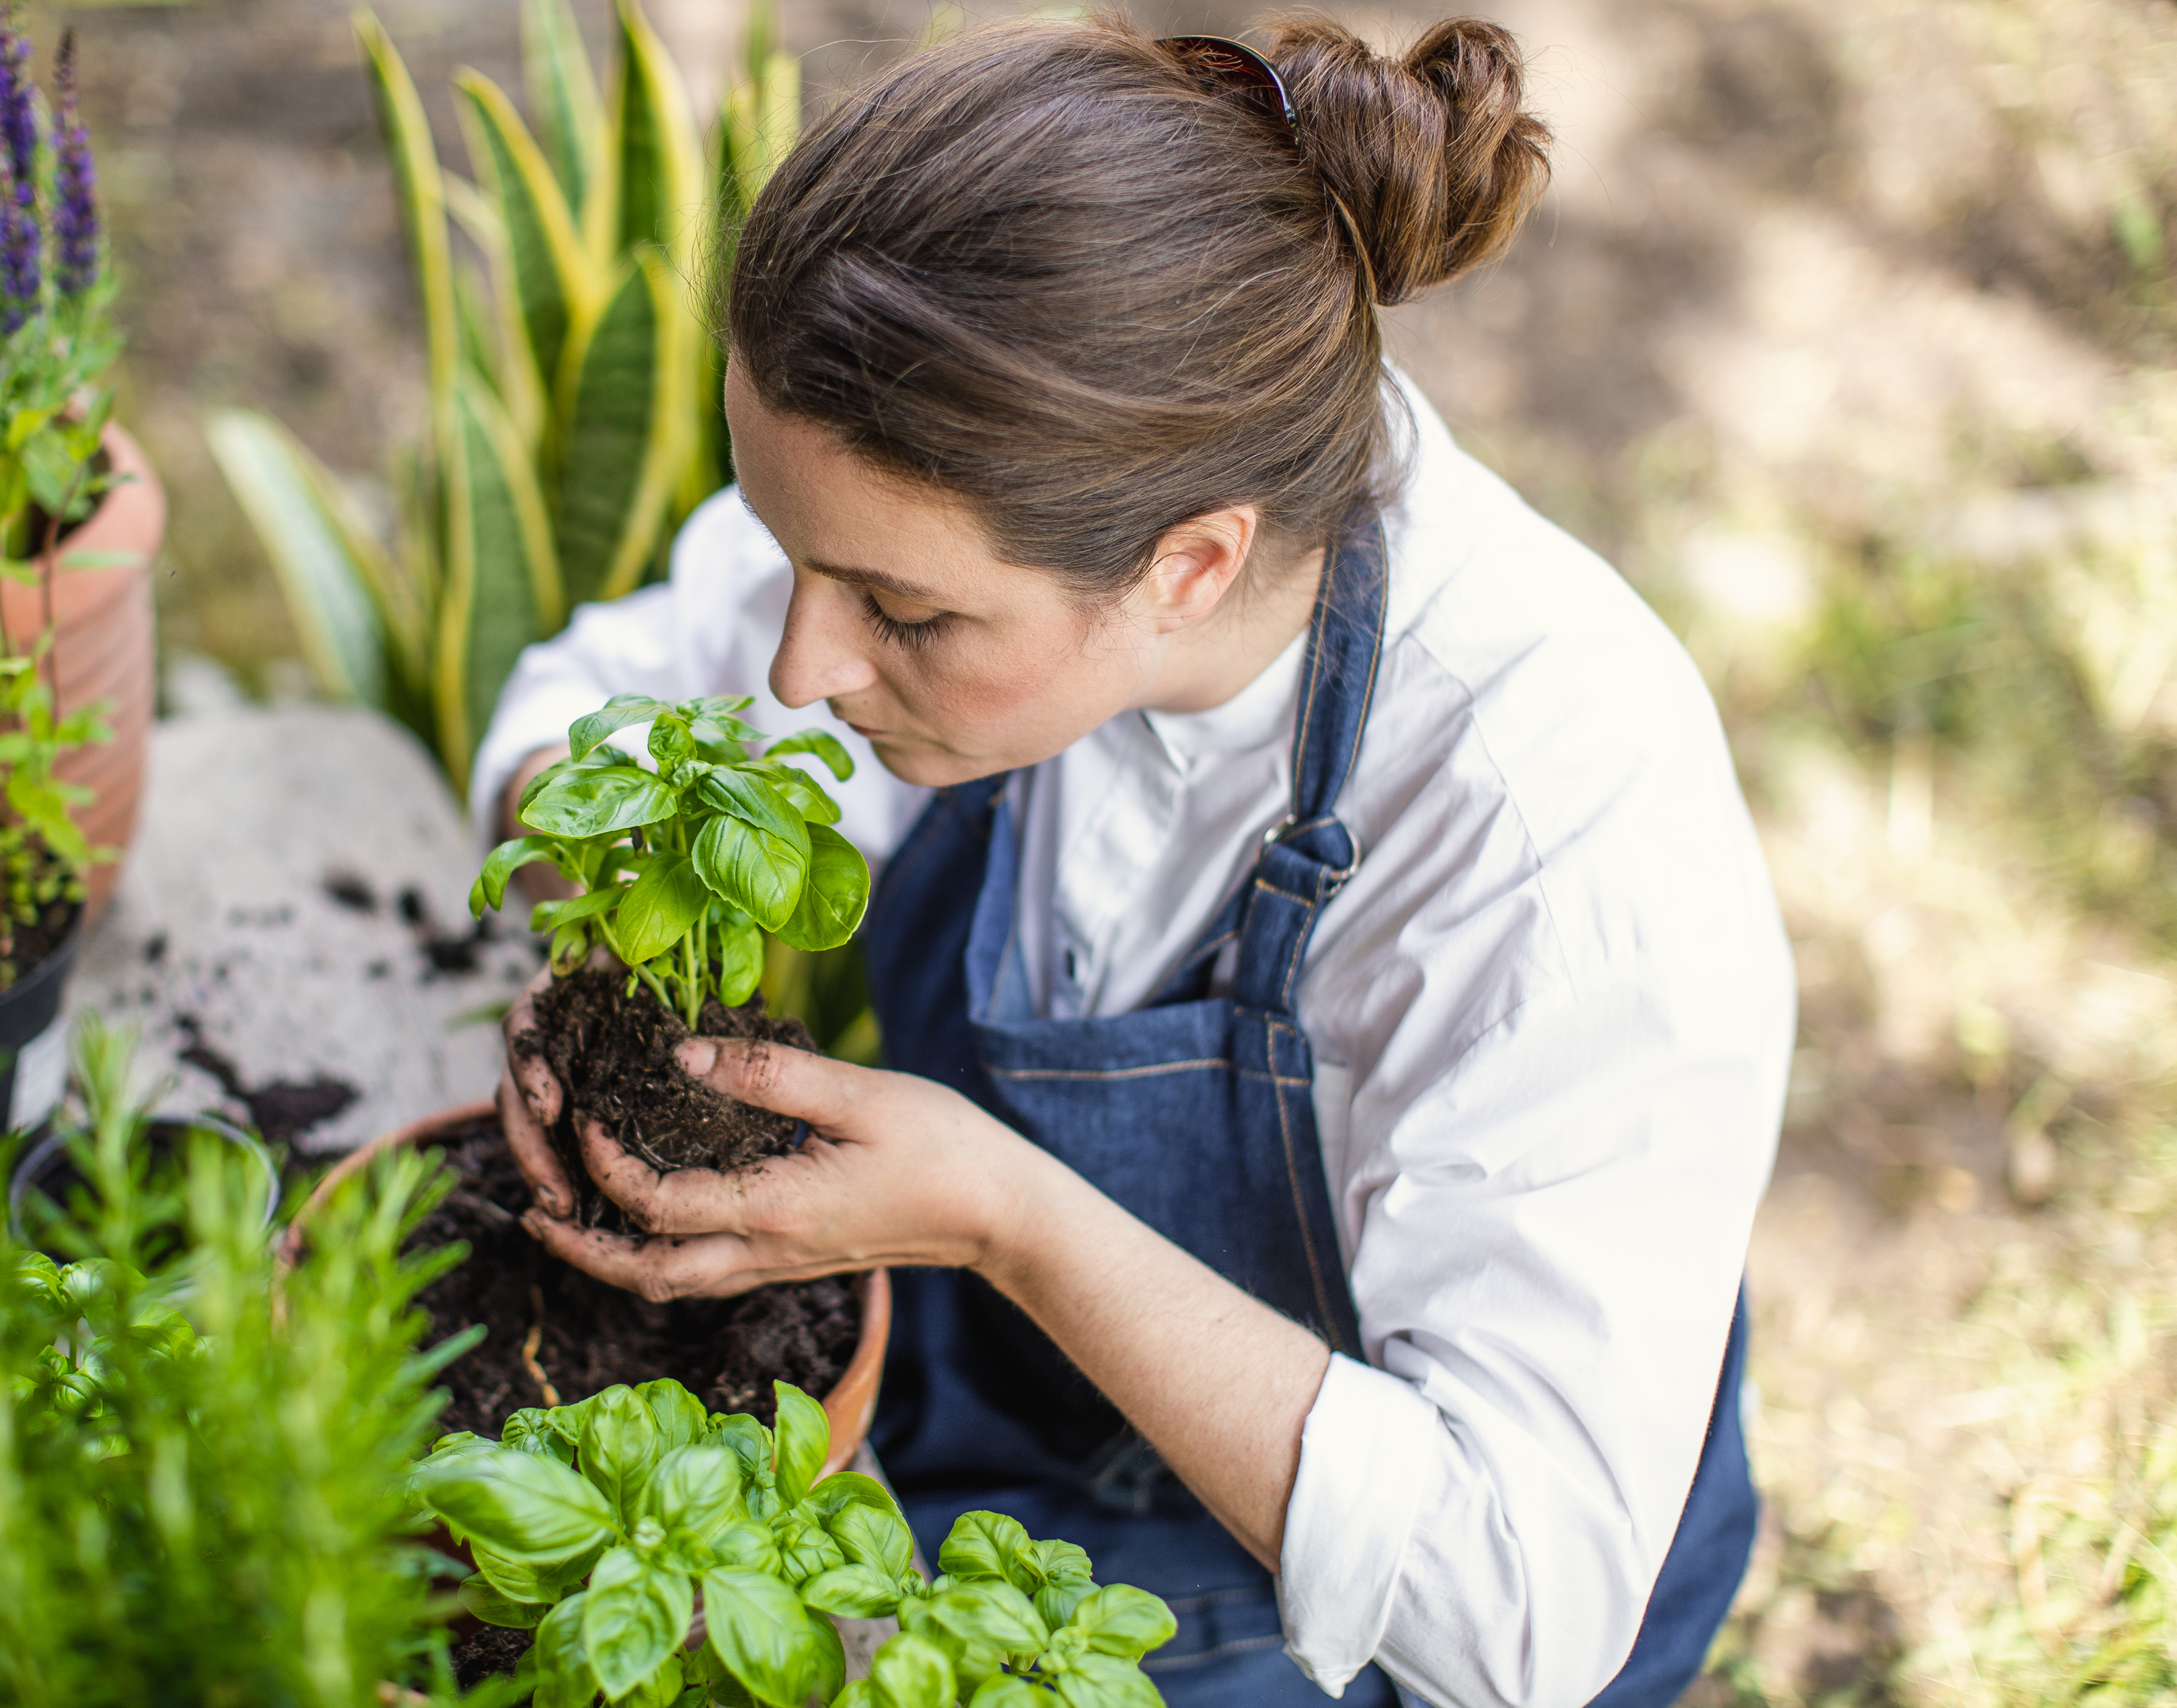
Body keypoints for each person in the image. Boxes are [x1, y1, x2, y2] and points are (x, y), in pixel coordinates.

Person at [470, 14, 1794, 1707]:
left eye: (904, 612)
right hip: (1008, 1387)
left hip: (1344, 1606)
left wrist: (1007, 1218)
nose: (802, 668)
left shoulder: (1554, 837)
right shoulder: (957, 482)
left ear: (1186, 568)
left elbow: (1515, 1604)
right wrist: (595, 915)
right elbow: (589, 704)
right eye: (794, 550)